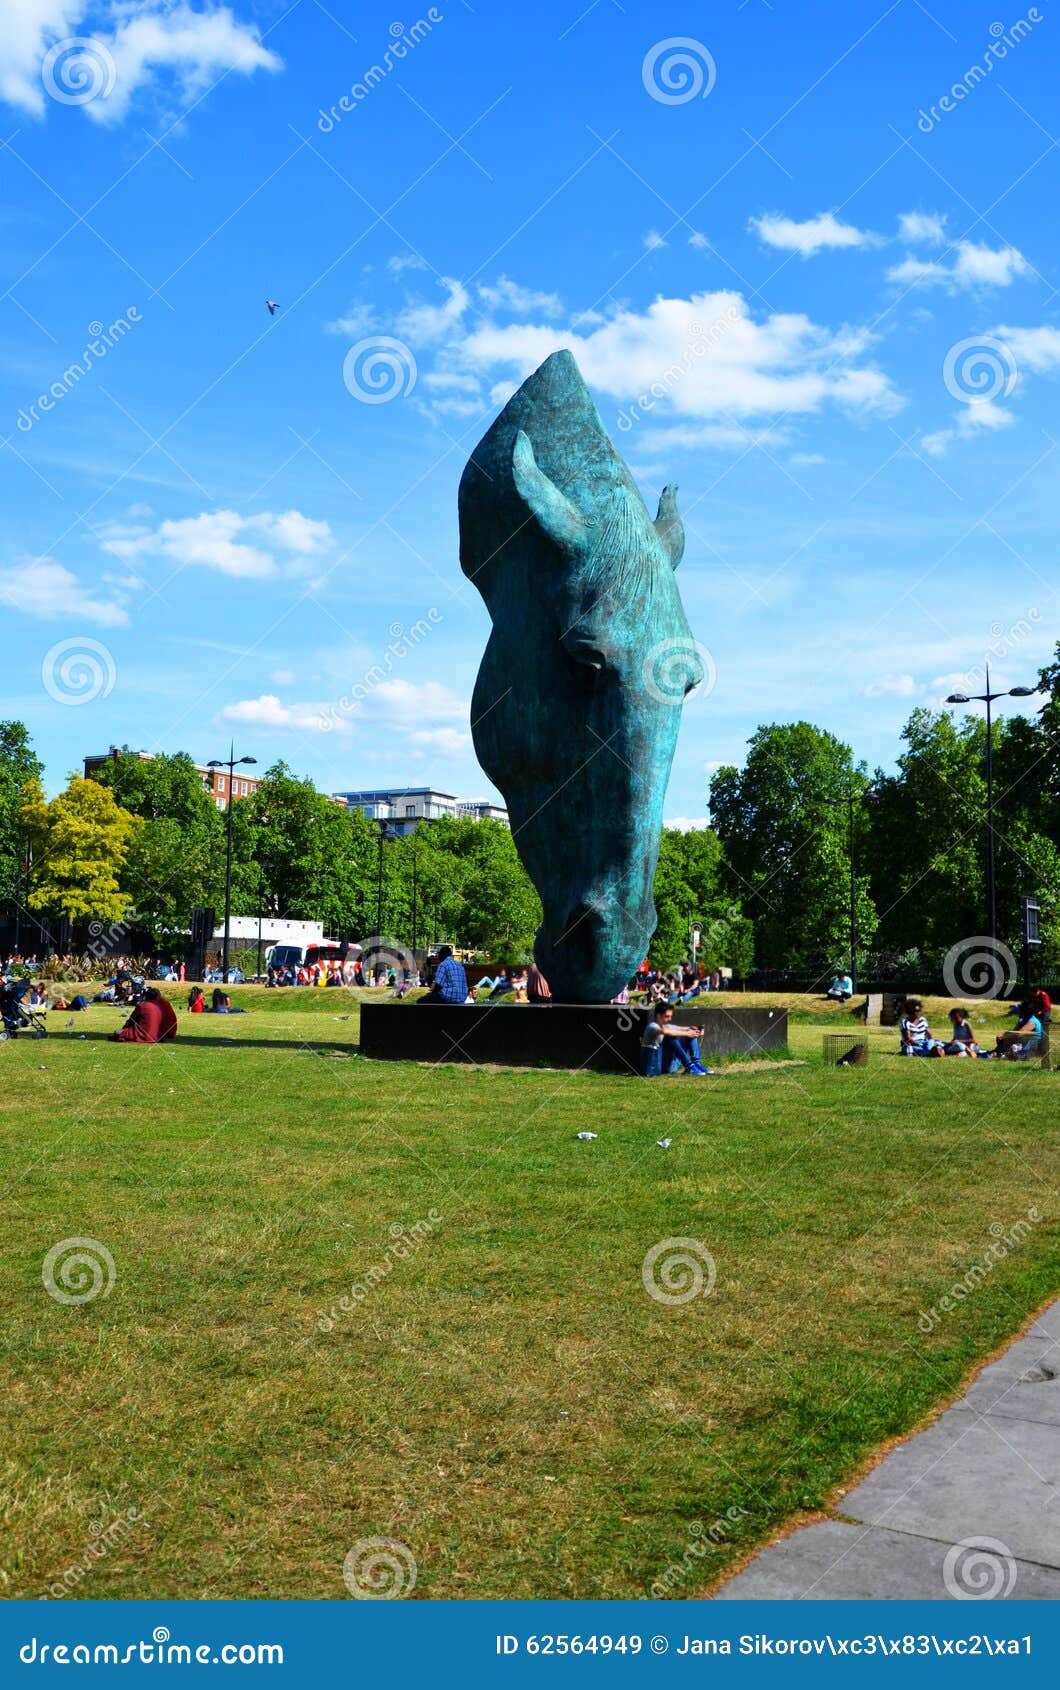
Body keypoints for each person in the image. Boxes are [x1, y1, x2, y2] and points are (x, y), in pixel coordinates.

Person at [639, 1005, 712, 1077]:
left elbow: (680, 1028)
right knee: (671, 1037)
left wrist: (695, 1029)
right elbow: (666, 1032)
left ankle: (696, 1064)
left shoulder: (665, 1026)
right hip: (657, 1066)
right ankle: (690, 1066)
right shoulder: (652, 1026)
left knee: (691, 1032)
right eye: (667, 1016)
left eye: (671, 1016)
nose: (670, 1019)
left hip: (671, 1064)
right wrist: (688, 1033)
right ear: (658, 1015)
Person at [112, 987, 177, 1043]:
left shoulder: (142, 1005)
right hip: (163, 1033)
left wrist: (124, 1029)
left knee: (117, 1032)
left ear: (147, 996)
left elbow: (131, 1020)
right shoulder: (163, 1004)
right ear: (158, 996)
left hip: (148, 1034)